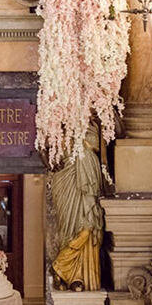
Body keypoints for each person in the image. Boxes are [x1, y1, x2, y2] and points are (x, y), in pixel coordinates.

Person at [50, 125, 104, 291]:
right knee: (68, 227)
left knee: (87, 227)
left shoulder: (95, 120)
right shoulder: (55, 119)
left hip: (88, 174)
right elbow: (47, 150)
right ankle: (68, 273)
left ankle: (67, 269)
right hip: (66, 178)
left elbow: (101, 142)